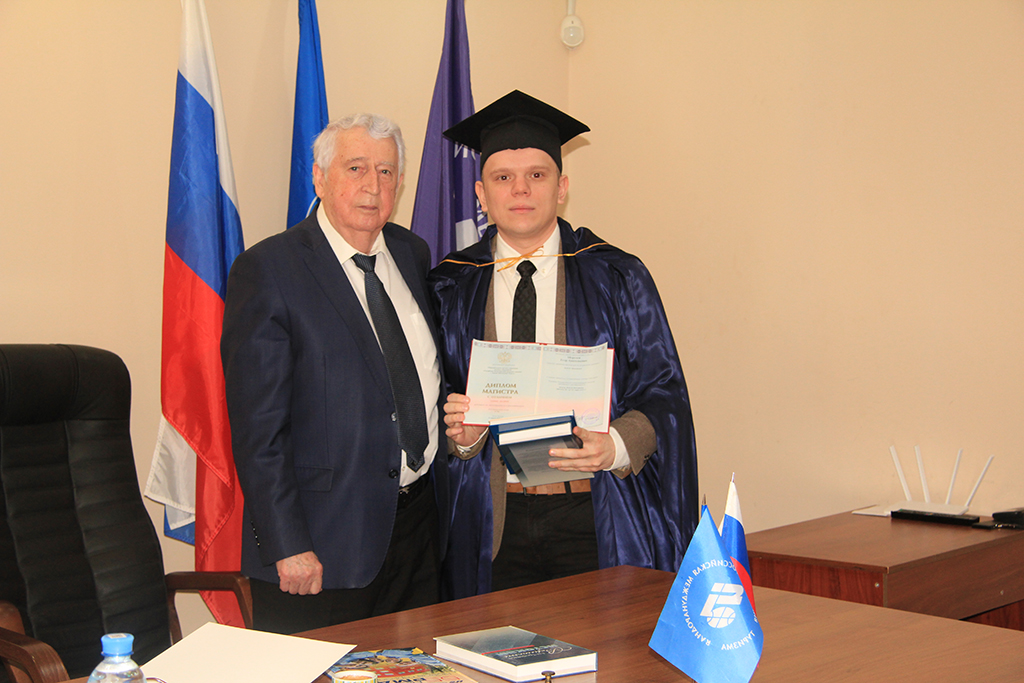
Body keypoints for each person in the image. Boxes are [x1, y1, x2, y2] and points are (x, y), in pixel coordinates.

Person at [430, 90, 699, 598]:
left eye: (537, 174)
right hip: (492, 523)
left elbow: (664, 391)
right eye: (502, 178)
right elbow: (430, 398)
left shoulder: (616, 276)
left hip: (594, 515)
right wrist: (462, 438)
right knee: (492, 646)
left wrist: (616, 444)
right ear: (481, 194)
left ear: (562, 188)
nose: (520, 189)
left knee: (605, 645)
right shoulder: (450, 286)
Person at [221, 114, 448, 633]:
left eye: (386, 171)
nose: (373, 185)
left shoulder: (411, 254)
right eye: (356, 168)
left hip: (417, 532)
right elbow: (259, 431)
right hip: (321, 546)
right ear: (320, 178)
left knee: (417, 667)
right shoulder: (269, 270)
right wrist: (287, 543)